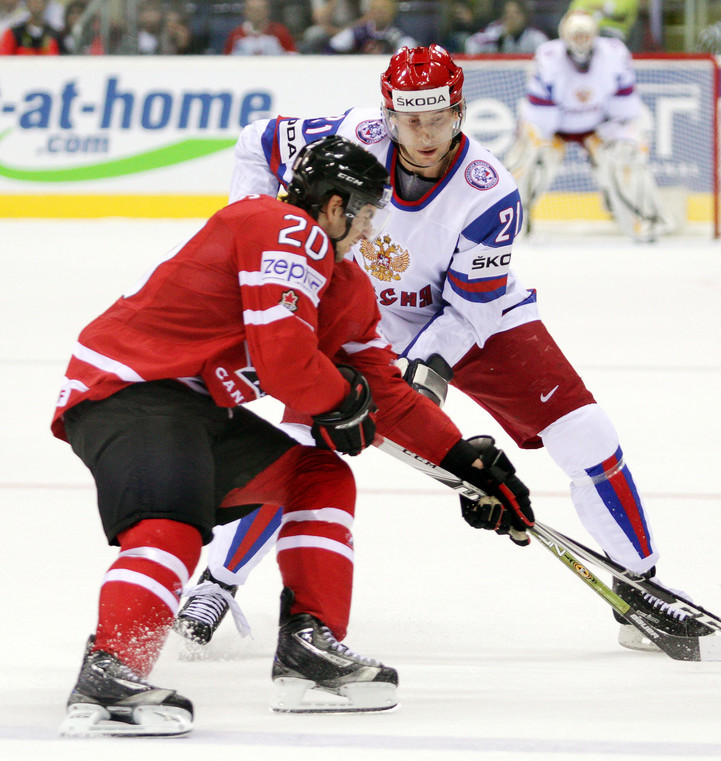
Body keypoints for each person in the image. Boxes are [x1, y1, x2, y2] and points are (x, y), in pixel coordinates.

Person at [175, 44, 712, 657]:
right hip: (361, 312)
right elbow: (255, 143)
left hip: (469, 317)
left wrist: (421, 371)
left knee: (587, 433)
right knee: (301, 448)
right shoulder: (352, 135)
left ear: (460, 111)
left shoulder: (489, 192)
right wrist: (258, 244)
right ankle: (215, 586)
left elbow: (466, 310)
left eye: (438, 117)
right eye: (410, 118)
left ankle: (641, 588)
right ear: (389, 113)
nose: (424, 134)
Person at [54, 135, 534, 737]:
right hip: (132, 385)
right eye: (364, 214)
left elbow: (384, 390)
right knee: (168, 523)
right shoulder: (283, 227)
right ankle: (109, 673)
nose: (369, 228)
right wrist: (344, 399)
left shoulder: (347, 285)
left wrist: (464, 461)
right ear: (334, 207)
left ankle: (310, 650)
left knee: (319, 475)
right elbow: (284, 364)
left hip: (197, 405)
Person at [505, 10, 673, 242]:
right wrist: (537, 143)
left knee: (624, 158)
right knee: (529, 159)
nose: (581, 41)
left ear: (595, 34)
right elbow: (540, 118)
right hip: (555, 129)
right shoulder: (548, 56)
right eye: (575, 35)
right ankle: (514, 226)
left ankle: (646, 221)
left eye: (585, 35)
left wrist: (616, 140)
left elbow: (624, 111)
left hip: (598, 126)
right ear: (564, 35)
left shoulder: (614, 54)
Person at [326, 0, 415, 54]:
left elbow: (409, 56)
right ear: (370, 11)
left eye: (383, 10)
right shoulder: (358, 33)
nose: (379, 14)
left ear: (392, 13)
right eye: (376, 10)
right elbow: (332, 48)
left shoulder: (399, 36)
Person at [464, 0, 547, 54]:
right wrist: (500, 39)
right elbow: (471, 44)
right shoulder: (495, 31)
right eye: (507, 13)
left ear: (524, 16)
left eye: (516, 13)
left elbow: (546, 56)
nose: (511, 17)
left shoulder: (535, 37)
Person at [224, 0, 298, 55]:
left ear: (267, 11)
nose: (256, 13)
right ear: (245, 11)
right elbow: (225, 61)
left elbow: (294, 58)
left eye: (259, 9)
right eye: (252, 10)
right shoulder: (236, 34)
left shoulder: (279, 32)